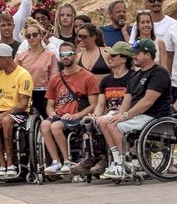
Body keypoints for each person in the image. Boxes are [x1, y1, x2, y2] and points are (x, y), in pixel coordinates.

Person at [97, 38, 173, 180]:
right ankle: (117, 162)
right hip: (138, 115)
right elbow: (127, 101)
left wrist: (125, 116)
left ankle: (126, 164)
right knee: (105, 122)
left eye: (137, 53)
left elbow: (147, 102)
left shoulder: (159, 74)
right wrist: (119, 114)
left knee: (114, 125)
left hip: (155, 116)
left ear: (148, 55)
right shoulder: (136, 75)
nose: (134, 56)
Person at [70, 41, 133, 178]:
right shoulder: (106, 80)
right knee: (89, 121)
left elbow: (132, 102)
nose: (109, 58)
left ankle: (112, 160)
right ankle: (92, 158)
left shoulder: (132, 78)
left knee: (105, 121)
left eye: (113, 56)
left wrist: (117, 113)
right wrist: (96, 113)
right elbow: (100, 104)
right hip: (110, 113)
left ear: (123, 59)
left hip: (126, 113)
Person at [40, 42, 99, 174]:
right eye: (62, 54)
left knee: (55, 127)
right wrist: (51, 113)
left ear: (75, 55)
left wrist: (76, 116)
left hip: (77, 116)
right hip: (60, 115)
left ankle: (67, 160)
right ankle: (56, 161)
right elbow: (50, 104)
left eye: (69, 54)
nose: (65, 57)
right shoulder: (55, 78)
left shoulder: (88, 77)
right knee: (44, 124)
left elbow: (94, 104)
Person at [0, 44, 33, 178]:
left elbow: (23, 105)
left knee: (5, 121)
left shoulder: (23, 74)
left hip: (19, 113)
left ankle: (11, 163)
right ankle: (1, 164)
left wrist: (4, 115)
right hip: (1, 111)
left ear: (5, 58)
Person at [15, 19, 59, 116]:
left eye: (35, 35)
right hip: (25, 93)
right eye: (28, 36)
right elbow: (15, 76)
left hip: (44, 93)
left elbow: (53, 77)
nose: (32, 38)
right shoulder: (21, 57)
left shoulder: (50, 55)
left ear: (41, 36)